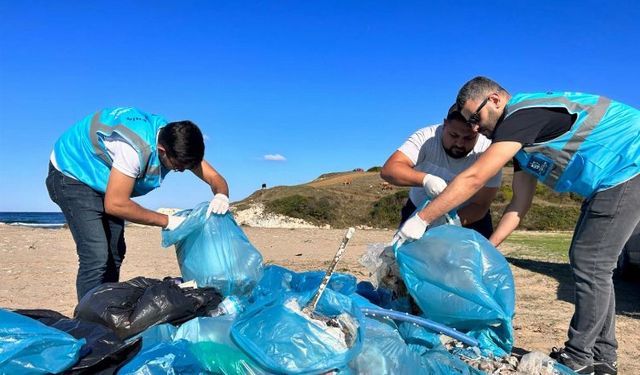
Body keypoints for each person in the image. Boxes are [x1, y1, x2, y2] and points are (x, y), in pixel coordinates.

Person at [396, 76, 639, 375]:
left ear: (495, 100)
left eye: (476, 117)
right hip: (612, 179)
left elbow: (473, 179)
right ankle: (603, 356)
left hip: (630, 167)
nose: (474, 128)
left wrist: (421, 219)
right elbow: (518, 206)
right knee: (592, 262)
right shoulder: (522, 144)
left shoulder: (520, 116)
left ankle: (579, 358)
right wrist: (488, 248)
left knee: (591, 262)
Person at [46, 107, 230, 301]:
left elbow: (214, 176)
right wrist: (167, 221)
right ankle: (88, 322)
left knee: (115, 252)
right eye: (178, 166)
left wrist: (221, 195)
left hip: (102, 177)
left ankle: (104, 308)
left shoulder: (177, 140)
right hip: (72, 171)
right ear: (162, 151)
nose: (182, 171)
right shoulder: (133, 149)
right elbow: (116, 204)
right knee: (96, 256)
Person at [380, 104, 501, 238]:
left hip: (469, 215)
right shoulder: (426, 137)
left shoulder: (488, 150)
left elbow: (481, 205)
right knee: (406, 256)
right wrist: (425, 180)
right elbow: (389, 169)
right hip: (418, 209)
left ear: (478, 131)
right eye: (454, 135)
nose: (460, 143)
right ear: (445, 124)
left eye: (468, 138)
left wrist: (446, 222)